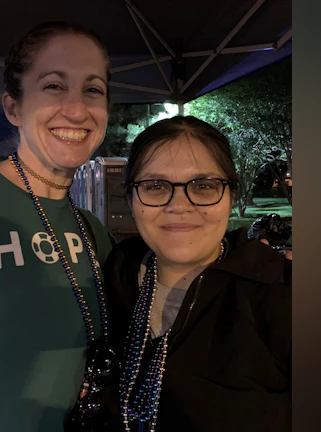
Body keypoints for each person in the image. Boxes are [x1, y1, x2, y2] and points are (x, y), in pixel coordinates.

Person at [102, 116, 292, 432]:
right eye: (155, 186)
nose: (179, 205)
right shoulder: (113, 277)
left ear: (231, 197)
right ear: (130, 199)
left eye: (203, 186)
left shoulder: (282, 296)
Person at [0, 22, 117, 432]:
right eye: (54, 86)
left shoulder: (93, 233)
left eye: (93, 90)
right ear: (13, 108)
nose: (76, 109)